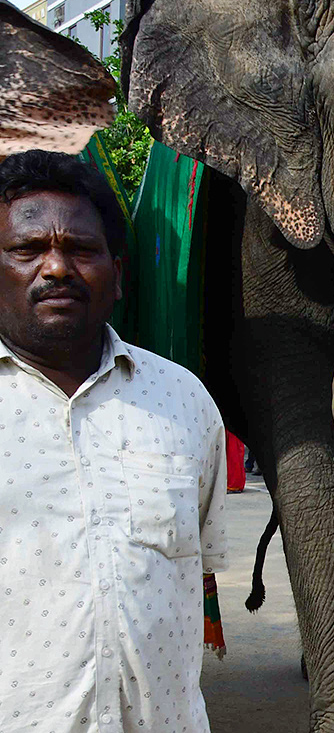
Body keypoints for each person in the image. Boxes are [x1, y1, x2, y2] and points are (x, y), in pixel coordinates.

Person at [0, 150, 228, 732]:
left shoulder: (182, 402)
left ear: (119, 273)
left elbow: (200, 556)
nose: (56, 268)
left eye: (81, 249)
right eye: (27, 250)